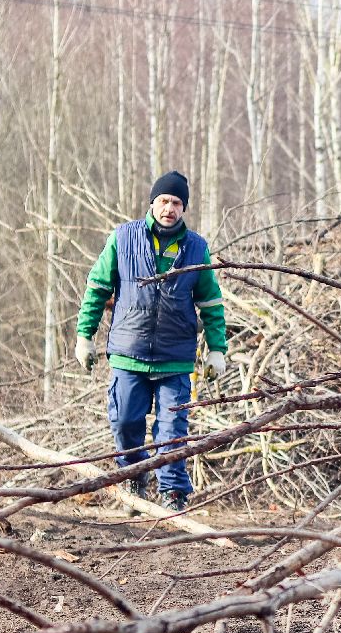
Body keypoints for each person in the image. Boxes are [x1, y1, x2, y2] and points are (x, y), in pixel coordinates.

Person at [75, 172, 227, 514]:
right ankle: (134, 476)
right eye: (163, 201)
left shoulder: (196, 248)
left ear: (183, 208)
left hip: (175, 358)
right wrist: (85, 336)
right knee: (126, 421)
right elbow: (98, 288)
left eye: (176, 202)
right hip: (129, 353)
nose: (169, 208)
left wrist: (217, 349)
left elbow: (211, 303)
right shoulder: (123, 238)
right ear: (152, 203)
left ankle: (173, 493)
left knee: (172, 430)